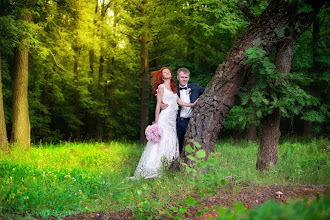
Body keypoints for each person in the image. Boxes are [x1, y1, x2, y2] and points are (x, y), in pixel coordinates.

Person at [129, 67, 198, 179]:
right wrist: (156, 123)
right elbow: (158, 105)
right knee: (160, 142)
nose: (168, 73)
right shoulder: (161, 87)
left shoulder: (173, 88)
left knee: (170, 141)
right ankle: (153, 167)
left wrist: (193, 104)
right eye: (165, 72)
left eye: (169, 71)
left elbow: (180, 102)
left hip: (172, 120)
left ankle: (166, 166)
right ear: (161, 76)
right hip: (164, 118)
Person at [161, 67, 205, 154]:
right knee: (178, 143)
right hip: (178, 121)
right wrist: (162, 103)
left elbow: (209, 91)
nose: (184, 79)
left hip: (191, 121)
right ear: (178, 77)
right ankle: (179, 162)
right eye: (182, 77)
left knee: (191, 143)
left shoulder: (195, 87)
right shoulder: (173, 90)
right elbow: (164, 97)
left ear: (188, 78)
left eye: (186, 77)